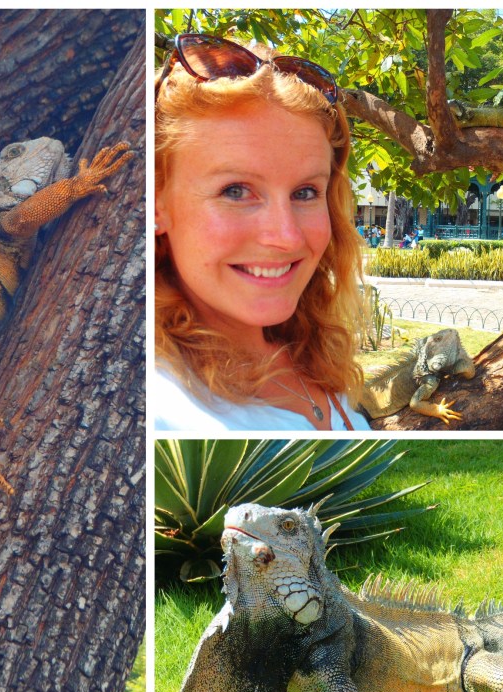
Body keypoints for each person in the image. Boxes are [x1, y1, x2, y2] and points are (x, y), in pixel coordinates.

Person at [154, 33, 368, 431]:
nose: (286, 236)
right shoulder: (165, 406)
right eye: (235, 191)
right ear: (156, 204)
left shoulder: (310, 349)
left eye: (306, 192)